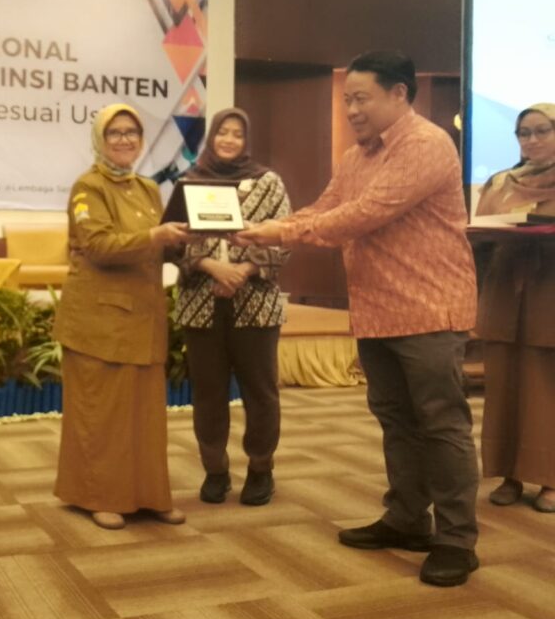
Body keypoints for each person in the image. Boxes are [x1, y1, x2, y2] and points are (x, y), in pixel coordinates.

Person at [234, 50, 480, 587]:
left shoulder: (426, 144)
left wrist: (280, 232)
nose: (351, 110)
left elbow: (364, 215)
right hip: (377, 310)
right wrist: (266, 229)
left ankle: (457, 540)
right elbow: (326, 208)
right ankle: (407, 518)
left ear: (399, 94)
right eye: (347, 99)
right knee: (396, 420)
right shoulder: (355, 157)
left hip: (428, 309)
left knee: (442, 424)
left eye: (361, 98)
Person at [52, 103, 190, 529]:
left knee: (146, 415)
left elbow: (158, 246)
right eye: (115, 132)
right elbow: (99, 246)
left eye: (132, 132)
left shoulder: (148, 188)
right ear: (100, 139)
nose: (125, 139)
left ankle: (150, 495)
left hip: (143, 319)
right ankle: (99, 496)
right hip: (100, 323)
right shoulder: (88, 187)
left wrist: (185, 240)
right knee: (102, 415)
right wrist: (155, 235)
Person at [172, 108, 291, 507]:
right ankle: (215, 470)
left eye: (237, 134)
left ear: (246, 140)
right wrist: (211, 267)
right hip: (200, 304)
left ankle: (260, 468)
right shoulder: (190, 182)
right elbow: (173, 242)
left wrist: (243, 270)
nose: (229, 139)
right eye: (222, 132)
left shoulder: (268, 182)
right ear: (212, 137)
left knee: (261, 393)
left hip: (256, 304)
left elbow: (285, 237)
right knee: (208, 393)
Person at [475, 102, 555, 513]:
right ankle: (509, 474)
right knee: (504, 389)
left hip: (549, 297)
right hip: (505, 294)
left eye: (542, 131)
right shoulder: (499, 183)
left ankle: (550, 479)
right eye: (524, 133)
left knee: (545, 390)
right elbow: (480, 238)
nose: (532, 140)